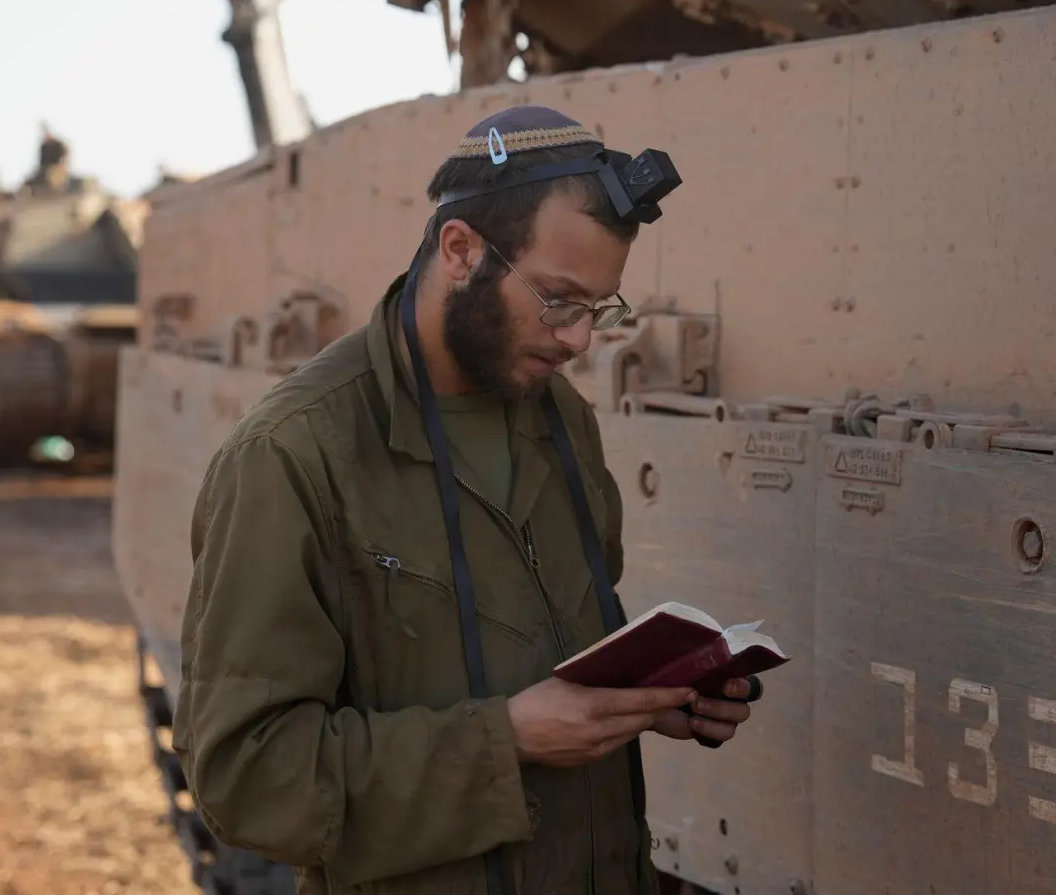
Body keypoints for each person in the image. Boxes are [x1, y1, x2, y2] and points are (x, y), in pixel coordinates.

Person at [173, 105, 764, 895]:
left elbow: (554, 662)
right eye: (558, 300)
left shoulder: (561, 423)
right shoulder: (292, 455)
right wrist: (508, 739)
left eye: (599, 310)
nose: (579, 339)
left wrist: (649, 699)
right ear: (460, 251)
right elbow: (248, 780)